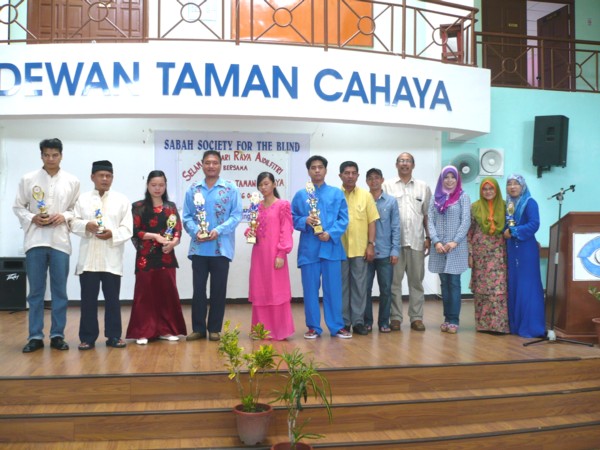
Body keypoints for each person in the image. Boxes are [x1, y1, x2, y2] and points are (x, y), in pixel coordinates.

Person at [13, 138, 80, 353]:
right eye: (47, 155)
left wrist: (64, 216)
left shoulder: (72, 181)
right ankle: (35, 336)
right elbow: (18, 207)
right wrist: (32, 217)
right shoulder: (28, 179)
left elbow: (76, 209)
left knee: (60, 292)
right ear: (41, 155)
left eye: (55, 155)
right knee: (36, 292)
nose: (51, 159)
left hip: (60, 242)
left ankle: (57, 335)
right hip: (35, 241)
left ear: (61, 155)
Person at [71, 160, 133, 350]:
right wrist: (86, 225)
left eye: (109, 176)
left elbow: (128, 228)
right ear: (93, 177)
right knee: (88, 301)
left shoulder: (122, 200)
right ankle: (87, 338)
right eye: (101, 175)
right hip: (88, 260)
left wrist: (112, 233)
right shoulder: (82, 200)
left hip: (111, 259)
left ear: (112, 178)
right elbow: (73, 222)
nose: (105, 179)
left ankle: (114, 336)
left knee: (113, 301)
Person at [183, 150, 242, 342]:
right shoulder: (193, 189)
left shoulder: (230, 188)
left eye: (215, 162)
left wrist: (219, 230)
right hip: (199, 248)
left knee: (218, 290)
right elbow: (186, 217)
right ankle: (198, 329)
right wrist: (196, 232)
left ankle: (215, 329)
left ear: (220, 165)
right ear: (202, 164)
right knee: (198, 291)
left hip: (221, 248)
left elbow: (236, 215)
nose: (211, 166)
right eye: (207, 162)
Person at [291, 155, 351, 339]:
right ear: (308, 171)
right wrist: (304, 220)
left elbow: (343, 219)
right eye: (313, 167)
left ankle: (337, 326)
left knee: (333, 290)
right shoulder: (301, 195)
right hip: (309, 249)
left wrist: (330, 233)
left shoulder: (336, 193)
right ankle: (313, 327)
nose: (317, 170)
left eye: (320, 167)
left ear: (325, 170)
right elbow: (292, 218)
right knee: (310, 290)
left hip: (331, 248)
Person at [126, 170, 187, 345]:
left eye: (161, 185)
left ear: (165, 186)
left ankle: (166, 330)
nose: (157, 188)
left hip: (166, 256)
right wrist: (155, 236)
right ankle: (143, 331)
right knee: (145, 295)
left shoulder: (170, 206)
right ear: (147, 186)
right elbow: (135, 231)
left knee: (167, 294)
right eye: (154, 185)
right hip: (145, 258)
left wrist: (173, 243)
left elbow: (177, 230)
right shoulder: (138, 207)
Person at [382, 153, 431, 332]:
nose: (404, 164)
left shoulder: (423, 187)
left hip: (417, 242)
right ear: (396, 164)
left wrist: (428, 237)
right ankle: (395, 318)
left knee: (416, 282)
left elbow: (427, 215)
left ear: (413, 165)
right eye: (401, 161)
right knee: (394, 283)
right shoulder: (387, 186)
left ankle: (416, 318)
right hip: (394, 244)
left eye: (408, 161)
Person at [245, 172, 294, 340]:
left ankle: (280, 331)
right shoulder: (256, 206)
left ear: (274, 184)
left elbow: (286, 230)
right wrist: (250, 232)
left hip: (275, 254)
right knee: (261, 289)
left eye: (266, 183)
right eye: (260, 185)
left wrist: (282, 253)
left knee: (277, 289)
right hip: (259, 254)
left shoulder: (283, 205)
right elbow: (253, 228)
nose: (263, 187)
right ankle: (261, 331)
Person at [428, 166, 471, 334]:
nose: (449, 180)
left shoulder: (463, 197)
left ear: (457, 179)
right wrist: (436, 241)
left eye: (453, 177)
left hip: (456, 248)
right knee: (444, 284)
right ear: (441, 179)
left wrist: (455, 241)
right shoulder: (435, 198)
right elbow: (430, 221)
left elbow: (466, 221)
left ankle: (454, 320)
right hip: (439, 248)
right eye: (446, 177)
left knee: (453, 282)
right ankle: (446, 319)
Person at [503, 174, 546, 338]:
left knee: (528, 286)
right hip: (512, 249)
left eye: (516, 184)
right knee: (515, 285)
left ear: (523, 186)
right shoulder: (509, 205)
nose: (512, 187)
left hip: (526, 249)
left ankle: (532, 327)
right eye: (509, 184)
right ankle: (516, 325)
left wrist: (513, 232)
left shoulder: (530, 202)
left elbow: (534, 224)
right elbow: (506, 226)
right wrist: (506, 231)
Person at [339, 161, 379, 336]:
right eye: (346, 173)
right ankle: (344, 322)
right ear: (340, 175)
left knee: (360, 287)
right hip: (339, 250)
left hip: (360, 249)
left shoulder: (366, 196)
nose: (350, 176)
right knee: (342, 287)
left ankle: (358, 322)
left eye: (353, 173)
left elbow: (372, 222)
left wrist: (371, 245)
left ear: (357, 175)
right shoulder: (336, 195)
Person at [468, 177, 510, 334]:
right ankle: (483, 325)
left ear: (496, 190)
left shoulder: (505, 207)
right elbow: (469, 232)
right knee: (481, 289)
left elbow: (513, 227)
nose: (488, 192)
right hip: (480, 254)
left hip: (499, 252)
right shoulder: (474, 207)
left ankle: (499, 325)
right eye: (484, 189)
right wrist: (470, 254)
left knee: (499, 288)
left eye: (491, 188)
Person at [364, 168, 401, 333]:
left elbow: (396, 227)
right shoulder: (363, 199)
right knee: (365, 289)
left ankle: (384, 322)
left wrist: (395, 250)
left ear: (382, 180)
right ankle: (367, 321)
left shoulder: (391, 201)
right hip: (366, 252)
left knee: (386, 290)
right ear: (366, 181)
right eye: (370, 178)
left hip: (385, 253)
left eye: (377, 178)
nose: (374, 181)